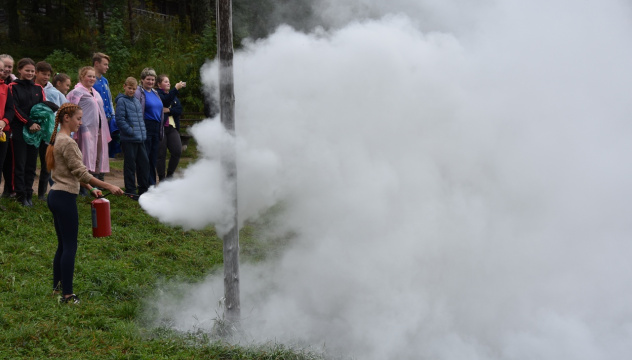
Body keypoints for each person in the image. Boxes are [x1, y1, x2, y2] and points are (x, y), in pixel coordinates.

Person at [46, 103, 123, 304]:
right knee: (70, 246)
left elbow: (69, 172)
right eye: (78, 119)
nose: (81, 122)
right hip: (64, 198)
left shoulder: (58, 139)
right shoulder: (68, 143)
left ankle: (57, 289)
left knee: (62, 245)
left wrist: (90, 189)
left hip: (55, 196)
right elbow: (81, 172)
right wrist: (109, 185)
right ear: (66, 119)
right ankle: (68, 295)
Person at [6, 58, 45, 206]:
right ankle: (20, 194)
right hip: (19, 130)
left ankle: (29, 192)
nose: (30, 73)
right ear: (20, 70)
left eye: (32, 71)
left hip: (35, 131)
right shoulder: (12, 87)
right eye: (27, 70)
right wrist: (28, 122)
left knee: (31, 164)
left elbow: (42, 108)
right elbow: (14, 108)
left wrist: (38, 123)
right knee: (20, 163)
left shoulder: (38, 88)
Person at [66, 66, 111, 194]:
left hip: (98, 129)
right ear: (81, 77)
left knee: (95, 156)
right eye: (89, 76)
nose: (92, 79)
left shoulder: (95, 92)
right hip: (84, 129)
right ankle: (82, 189)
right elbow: (68, 107)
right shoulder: (77, 92)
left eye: (93, 76)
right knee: (84, 157)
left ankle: (93, 187)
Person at [115, 77, 149, 195]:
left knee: (144, 165)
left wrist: (142, 132)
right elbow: (119, 119)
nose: (132, 91)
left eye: (134, 89)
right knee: (130, 166)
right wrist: (130, 131)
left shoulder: (136, 101)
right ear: (124, 86)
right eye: (129, 88)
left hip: (140, 138)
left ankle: (143, 190)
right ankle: (131, 191)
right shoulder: (121, 101)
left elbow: (140, 119)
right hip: (129, 139)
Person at [134, 68, 162, 185]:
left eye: (153, 79)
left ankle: (151, 184)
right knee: (144, 158)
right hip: (145, 126)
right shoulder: (139, 92)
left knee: (153, 158)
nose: (150, 82)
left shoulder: (155, 93)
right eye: (148, 79)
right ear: (142, 80)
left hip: (156, 127)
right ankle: (143, 184)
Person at [156, 74, 185, 181]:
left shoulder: (174, 96)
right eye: (165, 81)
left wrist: (169, 110)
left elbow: (179, 110)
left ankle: (170, 175)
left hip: (172, 127)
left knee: (177, 151)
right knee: (161, 154)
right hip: (161, 127)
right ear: (159, 85)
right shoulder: (157, 94)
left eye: (169, 81)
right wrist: (176, 89)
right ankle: (162, 177)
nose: (168, 83)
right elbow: (165, 101)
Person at [92, 52, 120, 160]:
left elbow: (109, 98)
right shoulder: (90, 79)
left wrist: (113, 114)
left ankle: (102, 171)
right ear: (96, 64)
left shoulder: (105, 81)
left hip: (107, 116)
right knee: (97, 145)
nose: (107, 67)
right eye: (105, 64)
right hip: (96, 118)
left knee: (107, 143)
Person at [34, 61, 54, 200]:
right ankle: (24, 192)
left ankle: (42, 194)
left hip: (46, 132)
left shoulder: (52, 91)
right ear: (36, 73)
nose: (46, 77)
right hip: (31, 130)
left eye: (48, 75)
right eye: (43, 74)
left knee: (46, 163)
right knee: (29, 164)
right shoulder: (31, 88)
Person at [0, 59, 15, 208]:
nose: (2, 73)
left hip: (3, 132)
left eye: (3, 70)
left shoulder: (6, 88)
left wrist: (4, 121)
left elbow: (10, 109)